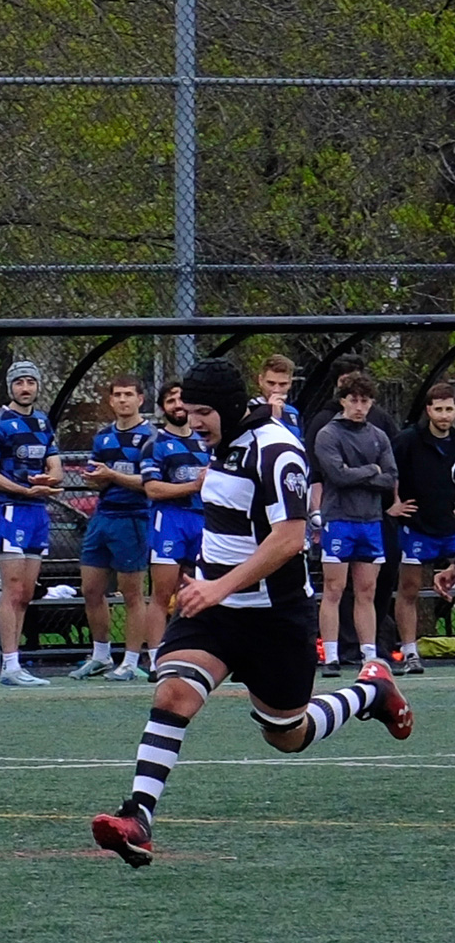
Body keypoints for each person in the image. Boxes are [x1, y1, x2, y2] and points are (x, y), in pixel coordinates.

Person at [91, 358, 412, 868]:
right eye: (185, 410)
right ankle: (138, 816)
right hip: (216, 610)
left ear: (228, 407)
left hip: (275, 617)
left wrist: (220, 586)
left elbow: (288, 539)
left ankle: (372, 691)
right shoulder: (223, 443)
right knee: (174, 691)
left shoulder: (277, 450)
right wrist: (212, 584)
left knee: (288, 734)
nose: (192, 421)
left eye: (201, 412)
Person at [0, 359, 65, 687]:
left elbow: (56, 468)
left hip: (37, 514)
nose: (25, 388)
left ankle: (17, 663)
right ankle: (9, 664)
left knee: (26, 593)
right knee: (12, 589)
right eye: (19, 383)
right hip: (11, 510)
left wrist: (47, 481)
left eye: (30, 382)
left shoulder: (43, 422)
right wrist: (27, 489)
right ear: (10, 387)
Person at [70, 375, 154, 681]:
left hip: (133, 518)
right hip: (102, 517)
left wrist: (114, 476)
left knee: (132, 593)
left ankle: (131, 661)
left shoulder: (151, 437)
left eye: (128, 394)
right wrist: (95, 478)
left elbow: (150, 483)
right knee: (91, 589)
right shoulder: (103, 437)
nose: (122, 400)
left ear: (140, 399)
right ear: (110, 400)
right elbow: (98, 473)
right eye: (117, 395)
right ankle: (101, 655)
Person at [313, 372, 397, 675]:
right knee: (334, 588)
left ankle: (369, 654)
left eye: (365, 400)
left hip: (370, 521)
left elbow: (390, 478)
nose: (359, 406)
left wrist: (361, 472)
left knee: (367, 590)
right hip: (339, 520)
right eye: (353, 400)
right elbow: (336, 475)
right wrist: (371, 470)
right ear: (343, 400)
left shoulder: (378, 435)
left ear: (371, 402)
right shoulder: (329, 434)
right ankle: (332, 655)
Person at [137, 379, 210, 679]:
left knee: (207, 588)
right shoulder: (155, 443)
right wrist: (194, 485)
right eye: (170, 401)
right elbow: (152, 488)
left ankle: (205, 654)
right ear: (163, 408)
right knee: (162, 592)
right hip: (170, 520)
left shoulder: (206, 441)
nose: (177, 406)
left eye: (182, 399)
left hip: (204, 520)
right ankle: (156, 659)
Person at [390, 381, 455, 674]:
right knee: (410, 588)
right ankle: (410, 651)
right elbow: (389, 472)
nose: (444, 415)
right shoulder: (408, 440)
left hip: (451, 525)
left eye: (449, 409)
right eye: (439, 409)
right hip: (416, 525)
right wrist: (393, 504)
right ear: (428, 410)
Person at [254, 354, 303, 437]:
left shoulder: (292, 412)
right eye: (271, 383)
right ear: (261, 381)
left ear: (290, 383)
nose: (276, 390)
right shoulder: (250, 410)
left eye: (283, 384)